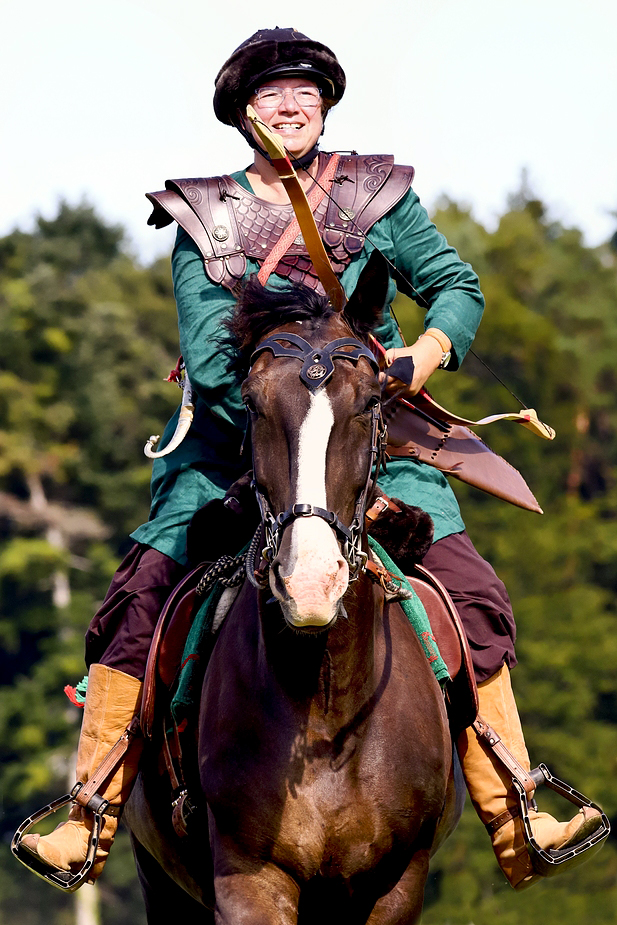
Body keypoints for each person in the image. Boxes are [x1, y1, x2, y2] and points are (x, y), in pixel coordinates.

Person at [21, 27, 602, 891]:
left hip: (371, 438)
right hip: (235, 448)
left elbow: (457, 287)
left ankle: (517, 805)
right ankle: (90, 808)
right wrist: (283, 433)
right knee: (136, 600)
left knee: (472, 593)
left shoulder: (377, 197)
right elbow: (215, 366)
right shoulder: (201, 216)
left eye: (304, 92)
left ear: (324, 105)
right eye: (270, 94)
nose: (289, 106)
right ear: (242, 113)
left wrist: (419, 359)